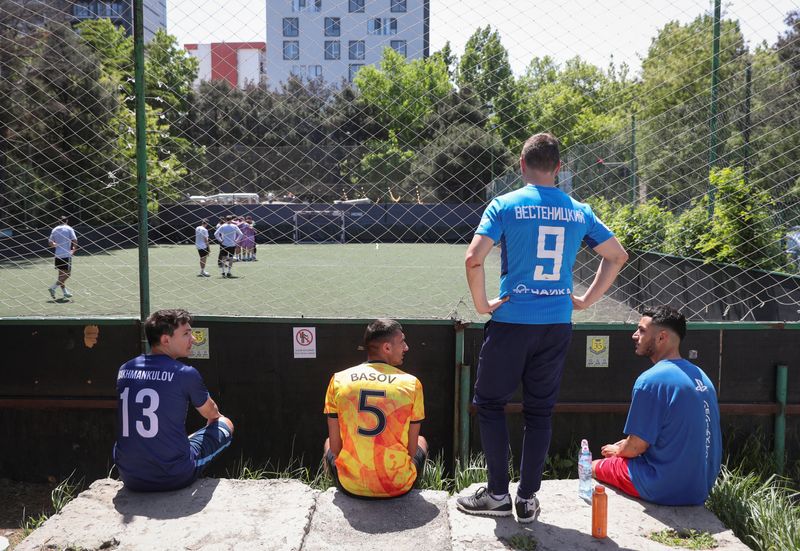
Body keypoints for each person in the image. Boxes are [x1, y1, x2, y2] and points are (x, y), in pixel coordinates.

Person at [457, 132, 628, 523]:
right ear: (559, 169)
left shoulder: (505, 205)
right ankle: (528, 500)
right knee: (539, 412)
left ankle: (498, 495)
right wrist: (585, 300)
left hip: (511, 324)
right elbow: (617, 256)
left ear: (521, 164)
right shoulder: (579, 210)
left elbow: (473, 259)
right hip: (555, 325)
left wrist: (483, 305)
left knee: (490, 405)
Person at [592, 305, 722, 506]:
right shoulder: (702, 377)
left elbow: (636, 447)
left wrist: (618, 451)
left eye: (642, 330)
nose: (635, 335)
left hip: (664, 487)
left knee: (593, 465)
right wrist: (625, 445)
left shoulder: (651, 381)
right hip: (699, 489)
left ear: (662, 337)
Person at [113, 309, 234, 492]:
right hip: (174, 476)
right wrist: (214, 420)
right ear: (165, 340)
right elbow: (212, 414)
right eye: (186, 334)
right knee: (225, 423)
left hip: (130, 476)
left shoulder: (125, 369)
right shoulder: (185, 373)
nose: (192, 339)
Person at [323, 319, 428, 498]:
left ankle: (332, 485)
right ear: (386, 348)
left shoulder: (339, 380)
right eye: (402, 341)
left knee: (327, 442)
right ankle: (415, 484)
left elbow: (334, 448)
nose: (406, 348)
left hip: (350, 487)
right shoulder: (412, 384)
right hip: (397, 486)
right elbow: (411, 451)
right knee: (421, 441)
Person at [48, 216, 78, 299]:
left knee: (61, 275)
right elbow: (75, 240)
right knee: (67, 274)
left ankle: (65, 293)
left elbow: (50, 243)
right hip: (66, 255)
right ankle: (53, 287)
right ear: (67, 221)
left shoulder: (54, 229)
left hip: (57, 255)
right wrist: (73, 249)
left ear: (59, 221)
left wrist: (56, 245)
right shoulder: (69, 228)